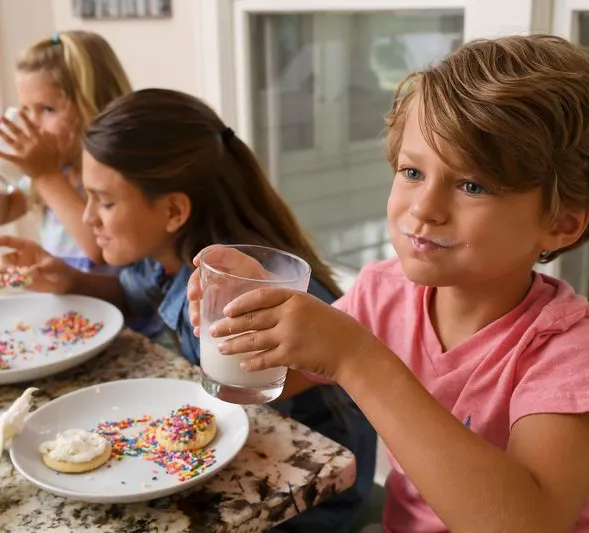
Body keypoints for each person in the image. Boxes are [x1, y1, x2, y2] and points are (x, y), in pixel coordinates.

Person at [187, 34, 589, 532]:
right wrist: (249, 314)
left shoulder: (569, 348)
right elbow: (270, 377)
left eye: (472, 185)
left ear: (561, 222)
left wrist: (359, 359)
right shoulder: (385, 292)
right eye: (411, 171)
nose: (424, 209)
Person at [0, 88, 376, 533]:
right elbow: (130, 294)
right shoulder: (159, 257)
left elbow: (288, 381)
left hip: (307, 496)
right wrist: (69, 279)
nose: (88, 218)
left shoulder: (250, 289)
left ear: (175, 210)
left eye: (104, 201)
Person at [0, 30, 131, 273]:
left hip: (111, 307)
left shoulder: (113, 177)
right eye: (25, 110)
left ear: (96, 109)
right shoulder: (52, 170)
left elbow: (98, 250)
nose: (32, 123)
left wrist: (45, 175)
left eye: (47, 109)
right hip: (67, 306)